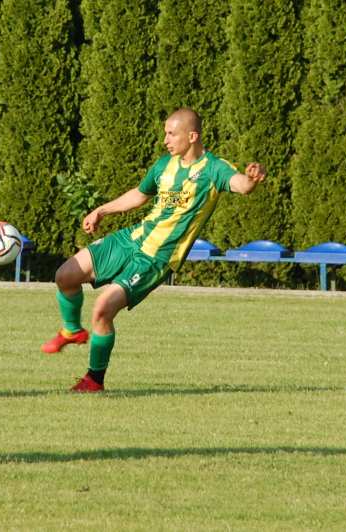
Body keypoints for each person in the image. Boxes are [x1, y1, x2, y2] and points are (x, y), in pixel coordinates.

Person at [40, 107, 267, 392]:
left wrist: (252, 178)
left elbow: (241, 185)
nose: (166, 140)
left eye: (172, 134)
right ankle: (72, 331)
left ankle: (93, 381)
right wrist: (101, 210)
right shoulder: (164, 166)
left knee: (102, 309)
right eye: (165, 134)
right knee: (66, 275)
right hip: (132, 239)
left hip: (155, 259)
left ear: (192, 136)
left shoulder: (214, 169)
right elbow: (139, 194)